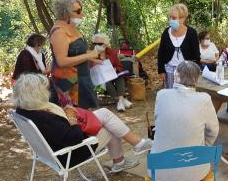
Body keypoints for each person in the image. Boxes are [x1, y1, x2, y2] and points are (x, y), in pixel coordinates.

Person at [13, 73, 153, 173]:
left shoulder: (24, 109)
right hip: (70, 154)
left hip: (52, 151)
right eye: (44, 89)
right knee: (110, 128)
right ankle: (125, 156)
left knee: (104, 113)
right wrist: (71, 118)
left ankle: (136, 147)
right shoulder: (45, 118)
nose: (47, 92)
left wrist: (67, 113)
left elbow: (58, 130)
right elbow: (75, 138)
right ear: (35, 94)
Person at [152, 61, 219, 181]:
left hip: (160, 170)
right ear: (197, 80)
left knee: (172, 152)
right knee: (196, 160)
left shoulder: (162, 95)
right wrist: (203, 149)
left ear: (176, 76)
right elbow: (213, 131)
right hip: (195, 170)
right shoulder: (204, 99)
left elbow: (159, 121)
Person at [50, 0, 101, 109]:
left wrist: (92, 59)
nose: (82, 14)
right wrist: (88, 55)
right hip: (69, 84)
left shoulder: (73, 28)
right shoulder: (59, 32)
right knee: (75, 120)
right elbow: (62, 61)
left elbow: (76, 53)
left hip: (82, 79)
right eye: (78, 11)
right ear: (65, 13)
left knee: (86, 118)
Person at [157, 3, 200, 88]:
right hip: (169, 70)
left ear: (182, 19)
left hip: (186, 71)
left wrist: (195, 72)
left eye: (174, 18)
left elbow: (196, 54)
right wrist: (161, 71)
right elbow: (161, 53)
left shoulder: (191, 33)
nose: (171, 20)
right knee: (170, 95)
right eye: (170, 17)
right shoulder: (166, 32)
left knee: (185, 95)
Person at [92, 33, 132, 112]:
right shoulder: (91, 54)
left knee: (120, 77)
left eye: (100, 44)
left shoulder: (112, 53)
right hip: (100, 78)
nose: (97, 45)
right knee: (106, 81)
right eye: (95, 44)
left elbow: (119, 66)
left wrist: (115, 69)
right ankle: (121, 100)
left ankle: (120, 101)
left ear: (106, 44)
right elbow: (90, 69)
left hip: (112, 74)